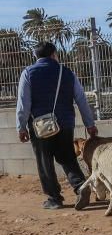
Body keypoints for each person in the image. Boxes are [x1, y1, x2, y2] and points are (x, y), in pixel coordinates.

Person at [16, 41, 99, 209]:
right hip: (65, 123)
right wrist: (89, 124)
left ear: (36, 56)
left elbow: (23, 103)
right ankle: (81, 186)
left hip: (39, 126)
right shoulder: (67, 72)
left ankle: (54, 199)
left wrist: (21, 126)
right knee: (67, 157)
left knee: (44, 161)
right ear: (54, 54)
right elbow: (81, 99)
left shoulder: (28, 73)